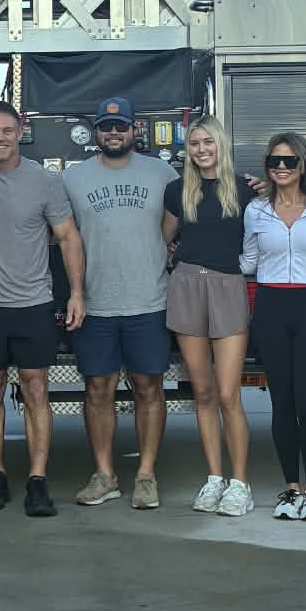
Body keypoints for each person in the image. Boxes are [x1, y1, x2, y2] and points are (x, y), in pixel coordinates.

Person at [0, 101, 85, 517]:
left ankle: (37, 480)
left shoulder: (45, 182)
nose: (0, 138)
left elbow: (68, 238)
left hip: (33, 304)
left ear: (20, 133)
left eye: (7, 130)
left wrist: (77, 293)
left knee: (35, 389)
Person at [62, 96, 173, 511]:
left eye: (120, 126)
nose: (113, 133)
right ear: (96, 132)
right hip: (95, 303)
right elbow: (62, 234)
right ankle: (105, 475)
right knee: (97, 389)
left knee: (148, 387)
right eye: (106, 127)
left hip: (149, 300)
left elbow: (196, 201)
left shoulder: (162, 173)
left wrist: (257, 185)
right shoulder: (72, 178)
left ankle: (146, 476)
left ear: (133, 130)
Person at [240, 131, 306, 522]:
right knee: (281, 404)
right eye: (274, 161)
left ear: (303, 164)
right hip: (271, 308)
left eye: (289, 161)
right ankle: (290, 488)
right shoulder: (256, 210)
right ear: (267, 166)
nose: (281, 167)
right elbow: (248, 262)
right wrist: (197, 256)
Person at [162, 116, 255, 516]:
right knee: (202, 392)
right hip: (186, 286)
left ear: (221, 144)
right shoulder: (176, 190)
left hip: (228, 287)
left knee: (228, 394)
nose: (201, 149)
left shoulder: (246, 189)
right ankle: (214, 477)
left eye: (208, 142)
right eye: (195, 143)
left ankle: (240, 484)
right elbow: (165, 238)